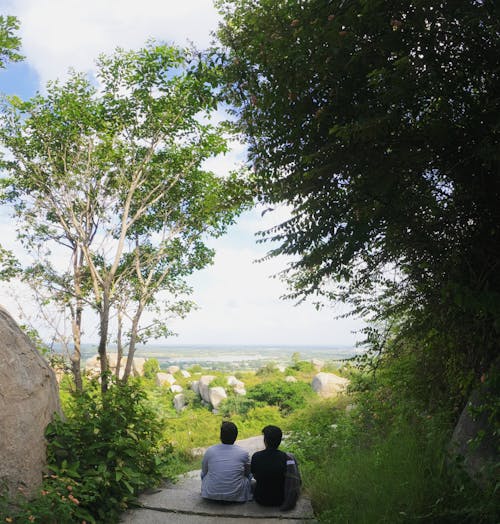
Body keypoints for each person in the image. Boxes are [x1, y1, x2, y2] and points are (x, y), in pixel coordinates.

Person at [201, 421, 252, 502]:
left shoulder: (210, 450)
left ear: (220, 436)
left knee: (203, 474)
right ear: (235, 437)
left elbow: (204, 472)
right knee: (250, 475)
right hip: (236, 496)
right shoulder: (243, 453)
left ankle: (211, 489)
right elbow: (247, 473)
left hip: (210, 495)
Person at [251, 425, 289, 507]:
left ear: (265, 441)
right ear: (279, 441)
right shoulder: (285, 457)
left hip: (261, 499)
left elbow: (255, 476)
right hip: (280, 499)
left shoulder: (256, 456)